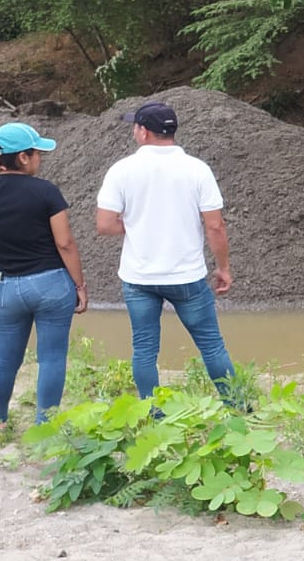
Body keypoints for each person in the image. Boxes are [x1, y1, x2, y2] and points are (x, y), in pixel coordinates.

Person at [95, 101, 238, 406]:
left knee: (144, 349)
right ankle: (237, 405)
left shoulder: (121, 170)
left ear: (143, 132)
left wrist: (137, 225)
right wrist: (223, 267)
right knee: (211, 345)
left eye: (135, 126)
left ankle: (152, 411)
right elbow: (215, 226)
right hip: (186, 275)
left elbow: (105, 225)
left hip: (139, 277)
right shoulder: (198, 169)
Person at [0, 122, 88, 434]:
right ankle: (44, 429)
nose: (40, 158)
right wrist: (79, 285)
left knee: (4, 360)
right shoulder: (46, 192)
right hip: (50, 284)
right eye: (36, 153)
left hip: (5, 287)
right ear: (23, 157)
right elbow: (65, 243)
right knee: (51, 359)